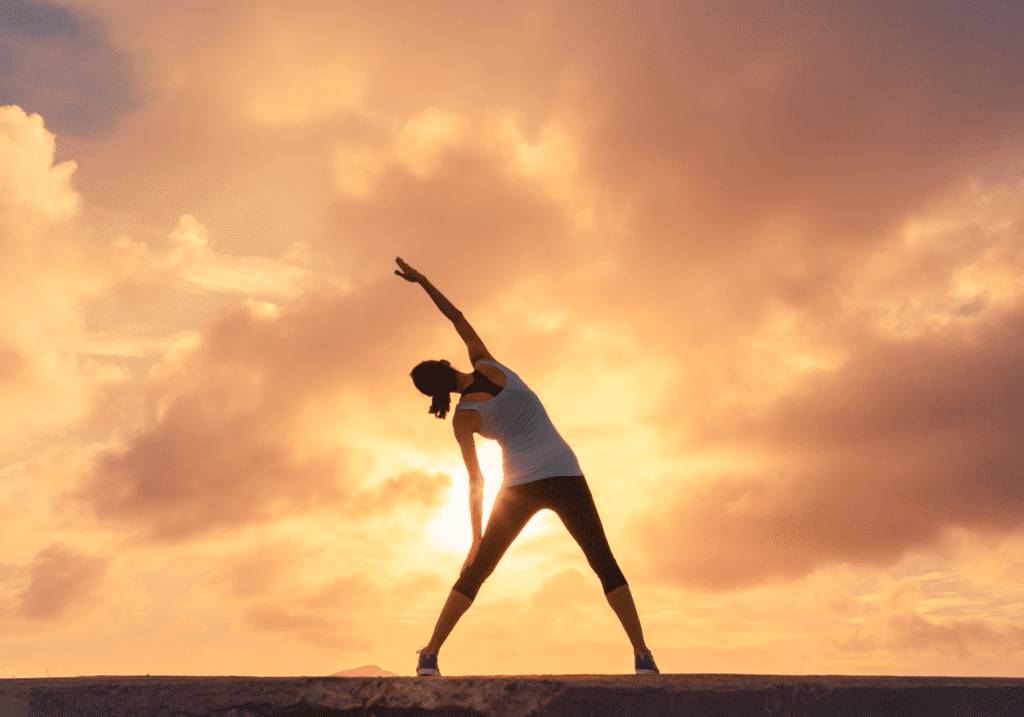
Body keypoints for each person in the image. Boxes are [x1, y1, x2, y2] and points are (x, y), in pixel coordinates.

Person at [395, 257, 659, 677]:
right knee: (603, 560)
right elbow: (456, 316)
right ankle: (643, 656)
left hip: (519, 486)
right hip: (565, 473)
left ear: (436, 393)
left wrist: (476, 539)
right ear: (446, 365)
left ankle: (429, 654)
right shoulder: (486, 361)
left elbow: (476, 482)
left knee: (477, 570)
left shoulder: (463, 418)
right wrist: (424, 280)